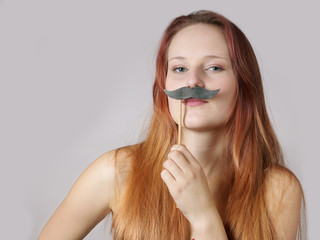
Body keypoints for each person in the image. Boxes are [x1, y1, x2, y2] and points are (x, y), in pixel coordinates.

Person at [38, 10, 305, 240]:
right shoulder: (117, 172)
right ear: (163, 86)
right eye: (179, 69)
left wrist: (204, 218)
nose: (193, 82)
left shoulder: (278, 190)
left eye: (213, 68)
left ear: (243, 85)